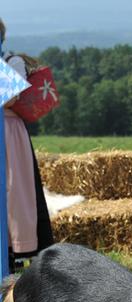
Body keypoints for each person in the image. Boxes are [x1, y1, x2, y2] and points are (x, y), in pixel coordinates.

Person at [1, 18, 54, 271]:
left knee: (15, 192)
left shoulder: (13, 62)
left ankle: (17, 248)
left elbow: (10, 98)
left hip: (9, 134)